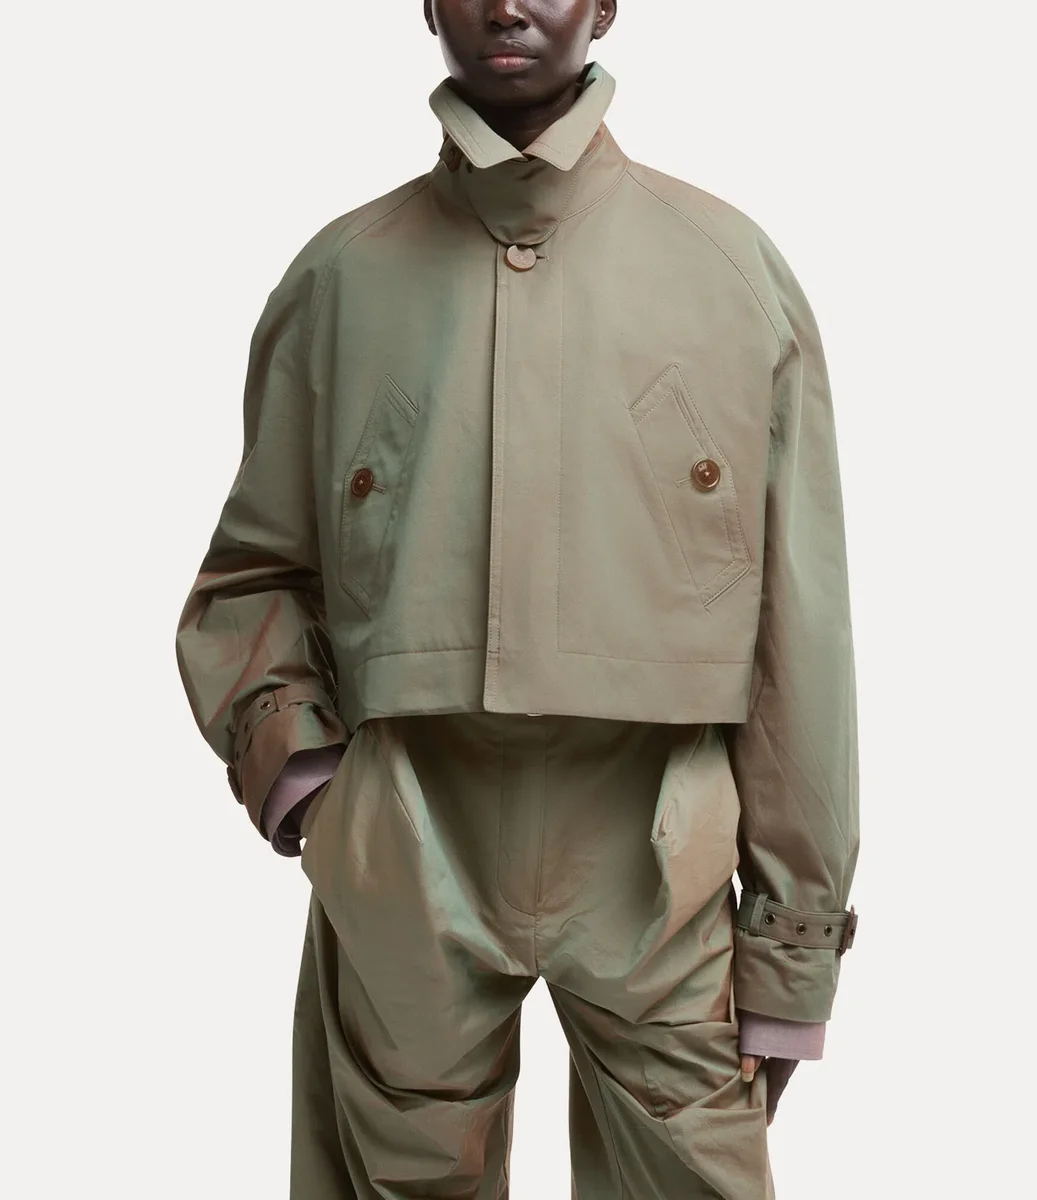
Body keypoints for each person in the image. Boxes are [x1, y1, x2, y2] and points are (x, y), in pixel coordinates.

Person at [175, 2, 860, 1196]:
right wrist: (315, 787)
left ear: (604, 5)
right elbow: (252, 575)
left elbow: (797, 630)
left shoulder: (729, 270)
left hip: (659, 845)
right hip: (408, 826)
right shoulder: (341, 277)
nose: (507, 4)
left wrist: (791, 947)